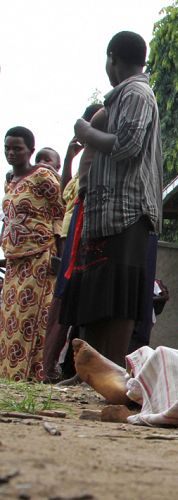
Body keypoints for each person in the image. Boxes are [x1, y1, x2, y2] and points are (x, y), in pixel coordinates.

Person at [61, 31, 163, 369]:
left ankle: (111, 372)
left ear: (112, 58)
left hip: (127, 211)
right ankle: (90, 371)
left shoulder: (137, 93)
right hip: (106, 214)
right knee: (98, 293)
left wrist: (86, 132)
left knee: (119, 296)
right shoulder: (120, 98)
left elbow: (128, 146)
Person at [42, 104, 105, 380]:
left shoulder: (99, 160)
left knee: (70, 301)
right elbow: (66, 191)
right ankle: (48, 367)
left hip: (83, 234)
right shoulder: (83, 164)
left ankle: (60, 366)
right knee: (62, 301)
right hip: (69, 236)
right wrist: (69, 157)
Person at [0, 127, 65, 381]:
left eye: (17, 148)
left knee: (31, 316)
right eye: (7, 148)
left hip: (39, 255)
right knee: (9, 317)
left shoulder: (43, 177)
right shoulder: (10, 182)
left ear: (31, 150)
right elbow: (9, 218)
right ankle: (9, 374)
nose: (11, 152)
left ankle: (33, 373)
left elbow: (60, 211)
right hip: (14, 259)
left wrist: (60, 252)